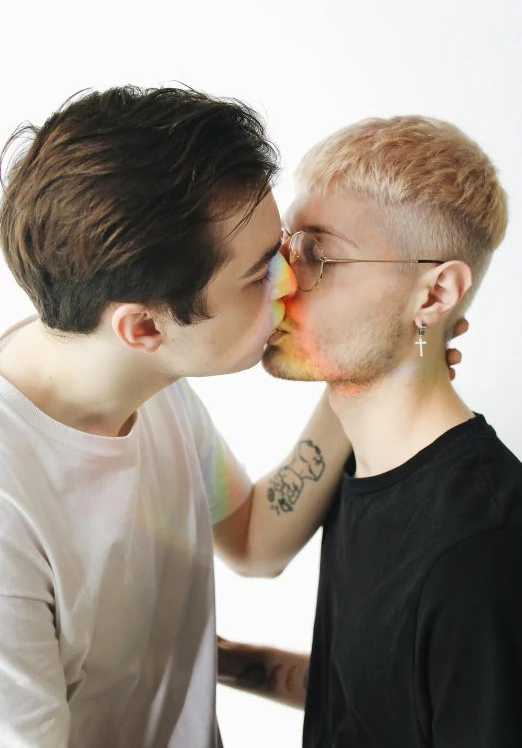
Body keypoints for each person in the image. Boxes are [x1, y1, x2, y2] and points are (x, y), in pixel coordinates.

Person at [0, 85, 364, 748]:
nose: (289, 283)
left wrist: (364, 369)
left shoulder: (150, 380)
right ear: (142, 326)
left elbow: (253, 540)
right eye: (258, 274)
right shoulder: (9, 508)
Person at [217, 116, 522, 747]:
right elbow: (383, 707)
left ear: (434, 294)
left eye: (318, 256)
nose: (280, 282)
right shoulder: (367, 455)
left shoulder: (482, 553)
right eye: (284, 252)